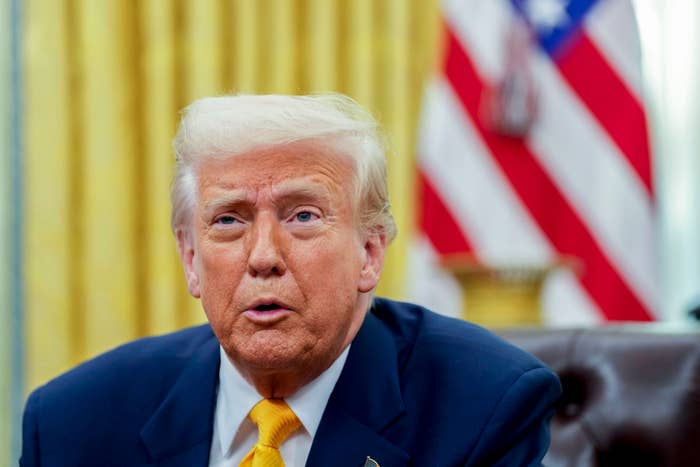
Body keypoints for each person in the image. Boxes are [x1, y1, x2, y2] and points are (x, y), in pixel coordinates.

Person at [20, 94, 561, 467]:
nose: (262, 258)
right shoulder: (74, 423)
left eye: (302, 216)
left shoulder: (484, 406)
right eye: (228, 219)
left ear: (370, 252)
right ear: (190, 259)